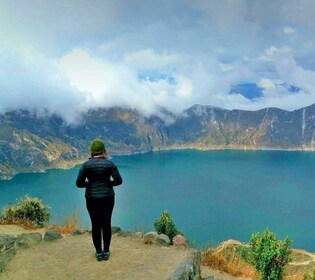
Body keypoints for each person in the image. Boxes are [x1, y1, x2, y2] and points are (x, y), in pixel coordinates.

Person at [76, 138, 122, 261]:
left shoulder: (85, 165)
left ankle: (98, 253)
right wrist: (107, 183)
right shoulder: (110, 164)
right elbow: (118, 181)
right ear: (104, 150)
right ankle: (106, 252)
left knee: (95, 225)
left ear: (91, 151)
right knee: (106, 224)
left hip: (91, 198)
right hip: (108, 197)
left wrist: (90, 184)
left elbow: (79, 183)